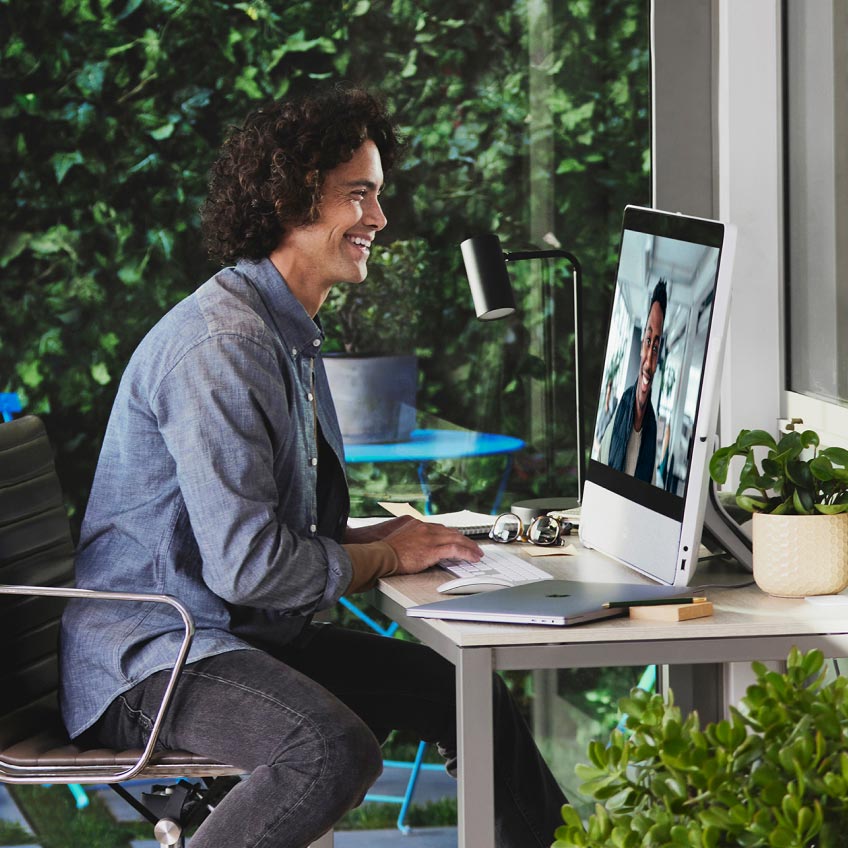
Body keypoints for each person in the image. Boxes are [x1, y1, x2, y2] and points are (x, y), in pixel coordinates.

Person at [60, 85, 567, 847]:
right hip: (157, 657)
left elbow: (275, 536)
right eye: (358, 195)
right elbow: (250, 568)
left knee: (460, 692)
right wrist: (385, 555)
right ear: (292, 200)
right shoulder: (223, 347)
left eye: (379, 195)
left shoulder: (285, 330)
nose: (379, 219)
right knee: (326, 750)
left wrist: (391, 535)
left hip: (231, 632)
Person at [598, 279, 667, 482]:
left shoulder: (651, 429)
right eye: (648, 341)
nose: (649, 361)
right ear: (640, 346)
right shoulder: (619, 414)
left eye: (656, 347)